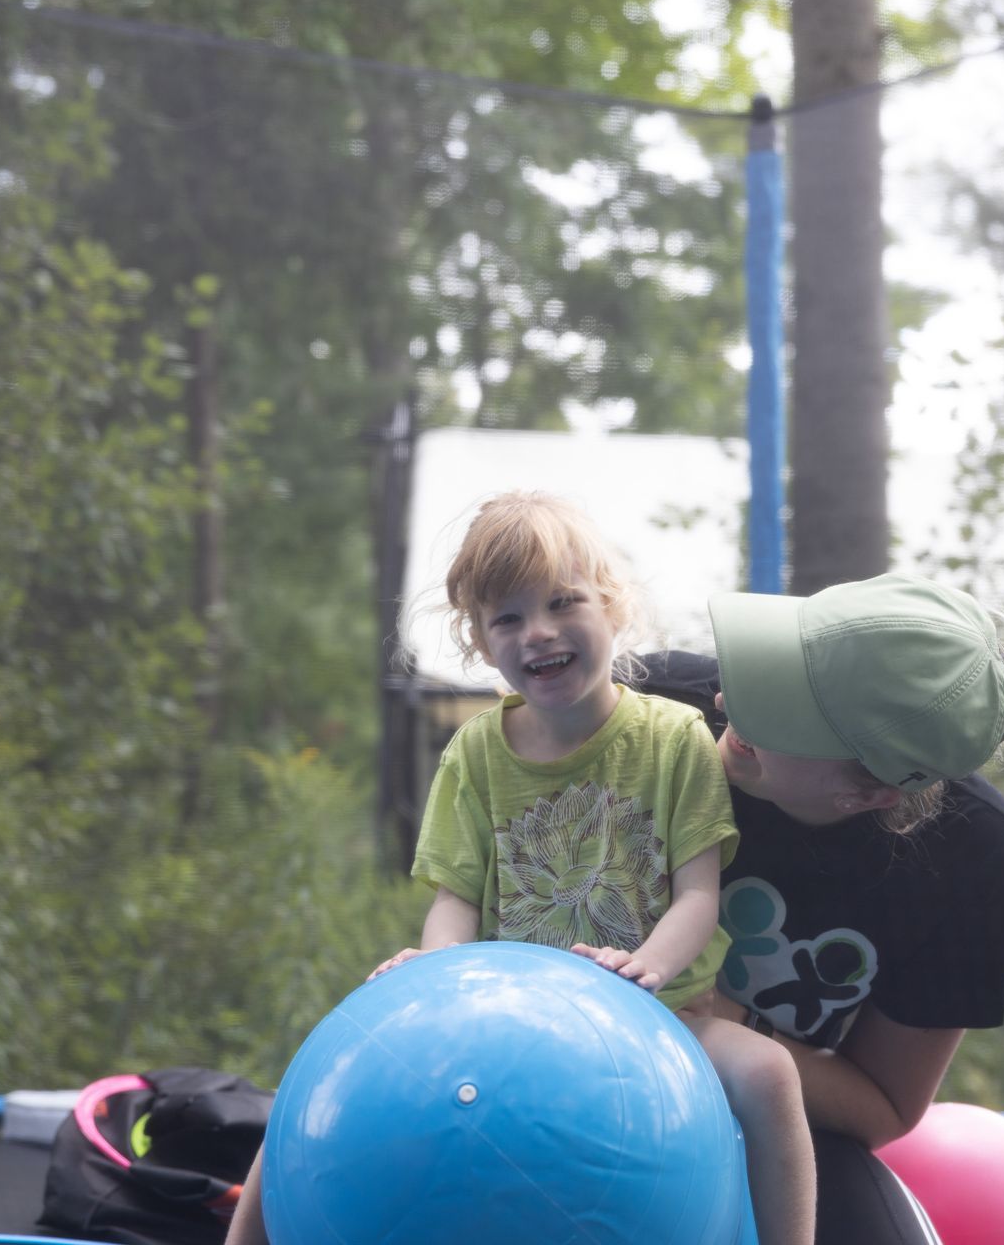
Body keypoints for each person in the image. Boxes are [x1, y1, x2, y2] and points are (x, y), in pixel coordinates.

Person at [225, 491, 815, 1245]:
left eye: (562, 603)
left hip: (658, 1019)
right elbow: (454, 902)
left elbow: (699, 896)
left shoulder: (677, 738)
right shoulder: (474, 753)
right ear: (478, 641)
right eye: (507, 617)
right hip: (500, 1023)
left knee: (771, 1076)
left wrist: (644, 971)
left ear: (613, 606)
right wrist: (432, 973)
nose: (537, 632)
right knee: (330, 1068)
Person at [636, 571, 1004, 1243]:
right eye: (773, 666)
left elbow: (883, 1103)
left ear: (869, 792)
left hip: (771, 1119)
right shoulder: (647, 704)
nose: (730, 698)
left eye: (781, 706)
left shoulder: (971, 851)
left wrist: (732, 1024)